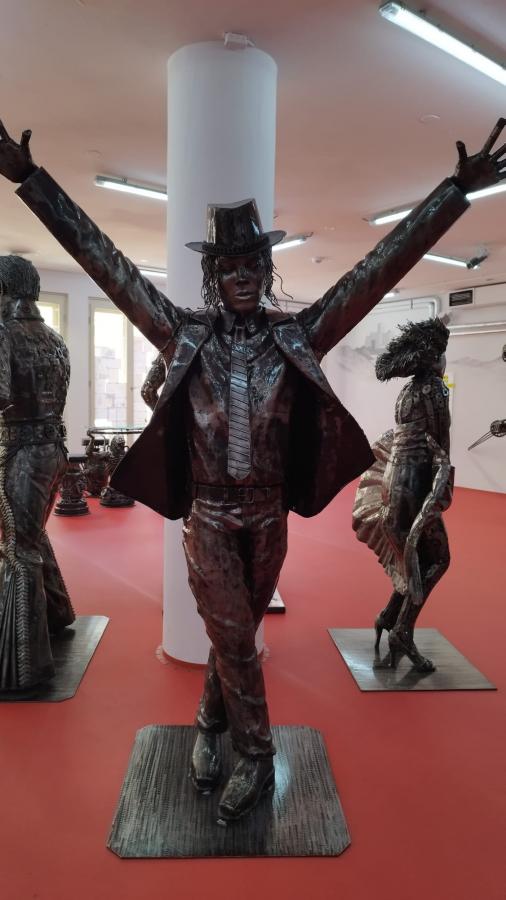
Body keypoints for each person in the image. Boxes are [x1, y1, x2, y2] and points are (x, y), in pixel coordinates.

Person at [0, 117, 503, 821]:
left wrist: (454, 194)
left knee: (230, 633)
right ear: (214, 275)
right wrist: (32, 180)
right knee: (237, 634)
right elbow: (106, 264)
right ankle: (258, 757)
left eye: (252, 265)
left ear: (265, 270)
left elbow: (375, 270)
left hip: (269, 513)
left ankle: (210, 723)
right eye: (229, 266)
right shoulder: (182, 335)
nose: (242, 276)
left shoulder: (298, 337)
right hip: (207, 513)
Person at [353, 318, 453, 671]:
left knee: (413, 556)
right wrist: (442, 488)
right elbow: (441, 444)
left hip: (394, 480)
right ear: (435, 357)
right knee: (437, 560)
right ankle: (402, 632)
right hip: (416, 482)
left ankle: (388, 616)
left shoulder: (408, 391)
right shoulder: (435, 390)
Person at [0, 255, 75, 690]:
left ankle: (25, 668)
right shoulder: (54, 337)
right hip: (55, 450)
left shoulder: (3, 333)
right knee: (32, 536)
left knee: (19, 547)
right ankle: (58, 613)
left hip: (23, 452)